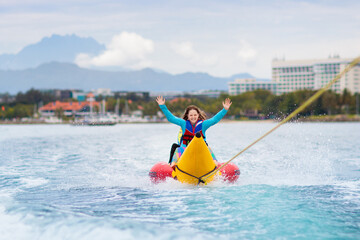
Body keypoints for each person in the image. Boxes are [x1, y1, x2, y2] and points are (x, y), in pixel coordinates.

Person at [156, 96, 232, 166]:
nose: (193, 117)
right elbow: (171, 118)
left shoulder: (203, 124)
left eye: (195, 115)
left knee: (208, 148)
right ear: (188, 116)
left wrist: (224, 109)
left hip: (200, 149)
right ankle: (173, 166)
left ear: (198, 115)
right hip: (185, 149)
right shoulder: (183, 123)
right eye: (191, 115)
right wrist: (162, 106)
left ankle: (215, 165)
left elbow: (215, 119)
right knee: (177, 149)